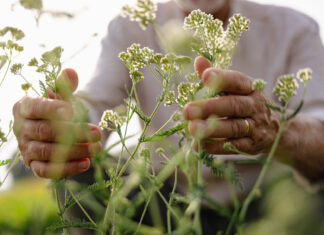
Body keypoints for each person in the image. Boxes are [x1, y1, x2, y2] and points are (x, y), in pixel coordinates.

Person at [12, 0, 324, 233]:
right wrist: (63, 126)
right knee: (78, 168)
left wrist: (277, 131)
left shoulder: (294, 29)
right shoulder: (131, 27)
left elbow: (318, 126)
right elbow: (97, 108)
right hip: (168, 201)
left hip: (265, 197)